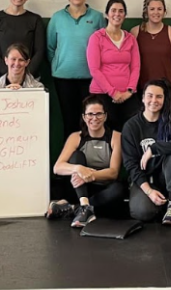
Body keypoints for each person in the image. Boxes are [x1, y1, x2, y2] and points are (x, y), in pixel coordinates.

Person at [48, 95, 125, 228]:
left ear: (105, 116)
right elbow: (57, 167)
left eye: (99, 114)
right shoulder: (76, 137)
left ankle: (75, 208)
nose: (94, 118)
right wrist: (79, 169)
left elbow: (113, 172)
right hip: (80, 189)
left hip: (102, 189)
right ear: (84, 117)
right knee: (76, 157)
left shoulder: (116, 137)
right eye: (90, 114)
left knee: (119, 190)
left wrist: (90, 176)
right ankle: (84, 206)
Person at [123, 79, 171, 226]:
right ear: (142, 98)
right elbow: (131, 165)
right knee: (142, 212)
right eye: (150, 96)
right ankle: (158, 202)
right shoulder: (131, 126)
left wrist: (153, 149)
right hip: (145, 180)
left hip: (167, 177)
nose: (154, 100)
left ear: (165, 99)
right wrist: (149, 192)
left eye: (159, 96)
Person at [47, 0, 104, 134]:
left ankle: (88, 156)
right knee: (69, 120)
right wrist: (59, 64)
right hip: (63, 78)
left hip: (90, 78)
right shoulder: (57, 18)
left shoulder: (97, 17)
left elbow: (104, 46)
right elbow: (50, 47)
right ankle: (69, 157)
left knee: (90, 121)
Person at [87, 0, 140, 129]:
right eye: (113, 10)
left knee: (134, 127)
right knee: (109, 129)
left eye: (121, 11)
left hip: (128, 95)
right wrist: (113, 92)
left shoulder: (131, 39)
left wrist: (129, 90)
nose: (117, 14)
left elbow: (135, 67)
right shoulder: (97, 37)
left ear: (125, 15)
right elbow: (94, 69)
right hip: (103, 94)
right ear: (107, 14)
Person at [132, 0, 171, 107]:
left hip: (167, 89)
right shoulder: (135, 32)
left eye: (159, 9)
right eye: (152, 9)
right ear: (146, 11)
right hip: (143, 90)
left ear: (164, 11)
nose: (156, 12)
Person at [0, 0, 46, 77]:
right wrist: (9, 75)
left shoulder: (35, 20)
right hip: (2, 78)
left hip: (30, 78)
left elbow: (39, 51)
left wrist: (25, 75)